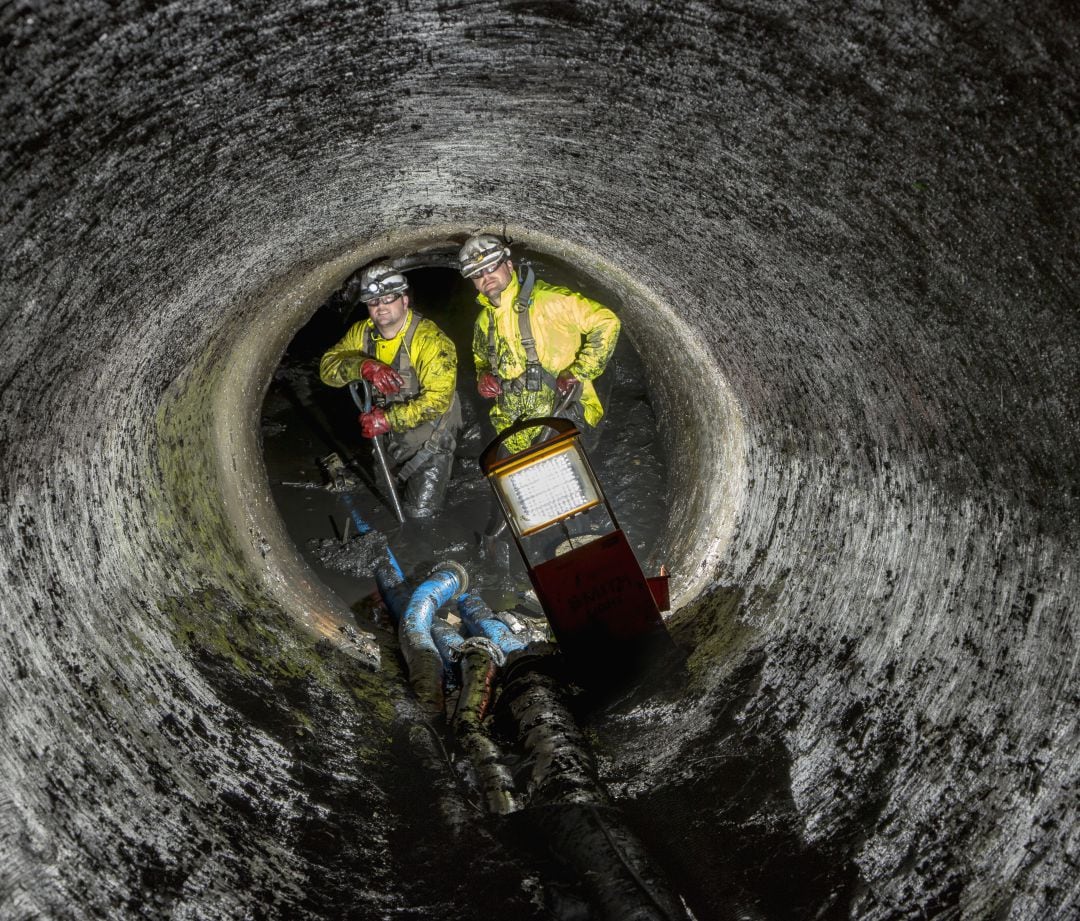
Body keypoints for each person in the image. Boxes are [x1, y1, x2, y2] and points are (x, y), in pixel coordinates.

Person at [320, 262, 461, 517]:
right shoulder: (361, 333)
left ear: (404, 301)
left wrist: (387, 418)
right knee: (385, 505)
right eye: (373, 301)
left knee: (421, 515)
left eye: (388, 298)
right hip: (386, 442)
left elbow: (438, 401)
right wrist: (363, 366)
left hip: (429, 441)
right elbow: (327, 369)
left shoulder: (430, 340)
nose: (381, 306)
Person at [458, 234, 621, 454]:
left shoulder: (548, 300)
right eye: (477, 273)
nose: (486, 276)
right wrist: (483, 377)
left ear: (508, 265)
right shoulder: (484, 321)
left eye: (491, 267)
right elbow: (481, 358)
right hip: (513, 430)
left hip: (564, 414)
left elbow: (606, 321)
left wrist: (579, 371)